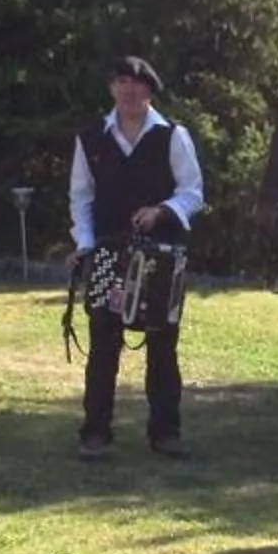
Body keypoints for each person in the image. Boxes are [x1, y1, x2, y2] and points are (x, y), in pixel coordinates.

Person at [70, 53, 205, 460]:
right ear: (112, 88)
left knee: (163, 344)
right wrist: (85, 244)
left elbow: (194, 192)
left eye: (137, 84)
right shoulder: (91, 137)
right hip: (109, 254)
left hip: (161, 256)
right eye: (121, 83)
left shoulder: (172, 135)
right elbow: (81, 196)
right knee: (103, 342)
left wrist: (163, 210)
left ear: (149, 90)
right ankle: (95, 432)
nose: (129, 91)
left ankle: (166, 432)